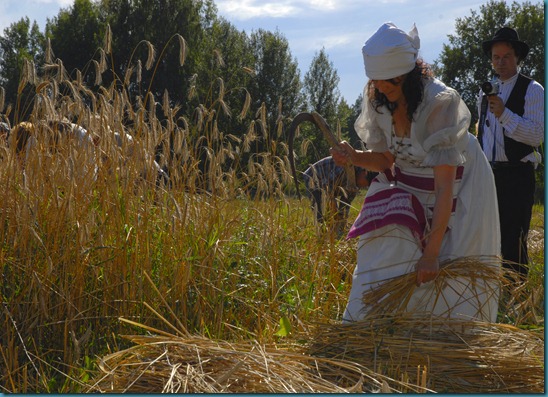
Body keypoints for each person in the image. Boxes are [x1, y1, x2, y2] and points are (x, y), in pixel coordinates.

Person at [330, 22, 501, 322]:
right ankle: (367, 324)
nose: (381, 88)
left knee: (448, 260)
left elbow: (445, 187)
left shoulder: (438, 104)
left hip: (457, 184)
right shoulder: (378, 96)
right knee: (385, 243)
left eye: (389, 83)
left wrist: (431, 254)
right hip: (409, 185)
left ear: (409, 76)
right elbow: (385, 161)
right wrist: (355, 156)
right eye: (376, 80)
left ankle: (445, 333)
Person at [477, 27, 544, 277]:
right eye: (496, 57)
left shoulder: (533, 90)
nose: (500, 62)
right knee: (488, 236)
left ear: (517, 58)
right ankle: (494, 294)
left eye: (506, 56)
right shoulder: (485, 91)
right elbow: (482, 134)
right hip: (489, 174)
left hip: (518, 175)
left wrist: (504, 114)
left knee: (514, 240)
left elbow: (537, 135)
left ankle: (517, 296)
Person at [302, 156, 373, 228]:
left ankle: (335, 229)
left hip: (330, 183)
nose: (362, 186)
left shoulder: (356, 183)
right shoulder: (344, 168)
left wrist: (342, 220)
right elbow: (325, 187)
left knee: (334, 217)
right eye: (365, 184)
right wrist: (334, 210)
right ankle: (325, 231)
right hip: (314, 177)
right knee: (322, 213)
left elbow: (346, 202)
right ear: (365, 172)